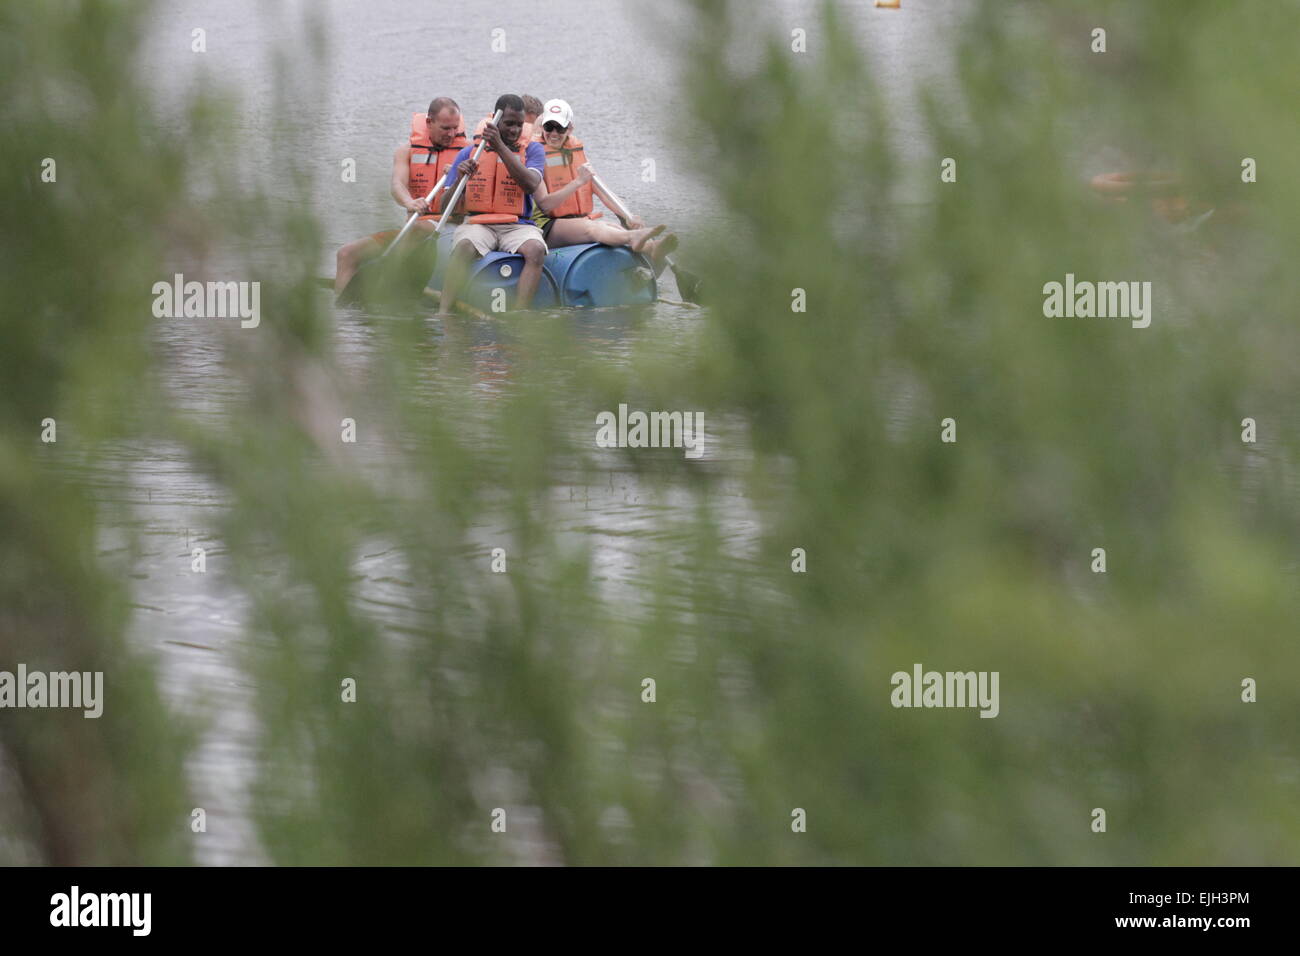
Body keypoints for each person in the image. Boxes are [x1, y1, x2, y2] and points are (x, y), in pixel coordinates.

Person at [334, 97, 467, 294]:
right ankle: (345, 311)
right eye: (445, 128)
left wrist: (458, 171)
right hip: (414, 226)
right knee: (346, 254)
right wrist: (410, 202)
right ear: (429, 123)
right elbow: (397, 185)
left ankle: (386, 283)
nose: (452, 134)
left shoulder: (467, 152)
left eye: (455, 128)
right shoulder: (406, 151)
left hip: (447, 227)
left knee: (418, 227)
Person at [436, 94, 548, 315]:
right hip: (479, 224)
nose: (515, 130)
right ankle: (443, 312)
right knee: (464, 248)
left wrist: (499, 146)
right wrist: (460, 178)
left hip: (517, 224)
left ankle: (519, 314)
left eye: (519, 125)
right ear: (496, 122)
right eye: (509, 124)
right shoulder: (469, 152)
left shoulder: (534, 150)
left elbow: (530, 184)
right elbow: (443, 208)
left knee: (535, 250)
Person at [531, 99, 675, 271]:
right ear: (543, 128)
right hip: (545, 225)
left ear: (569, 128)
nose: (554, 133)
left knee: (611, 226)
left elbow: (602, 191)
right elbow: (546, 205)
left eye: (559, 128)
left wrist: (628, 216)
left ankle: (651, 248)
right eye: (549, 127)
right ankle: (635, 239)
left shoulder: (574, 151)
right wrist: (578, 182)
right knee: (592, 229)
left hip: (573, 221)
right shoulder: (535, 153)